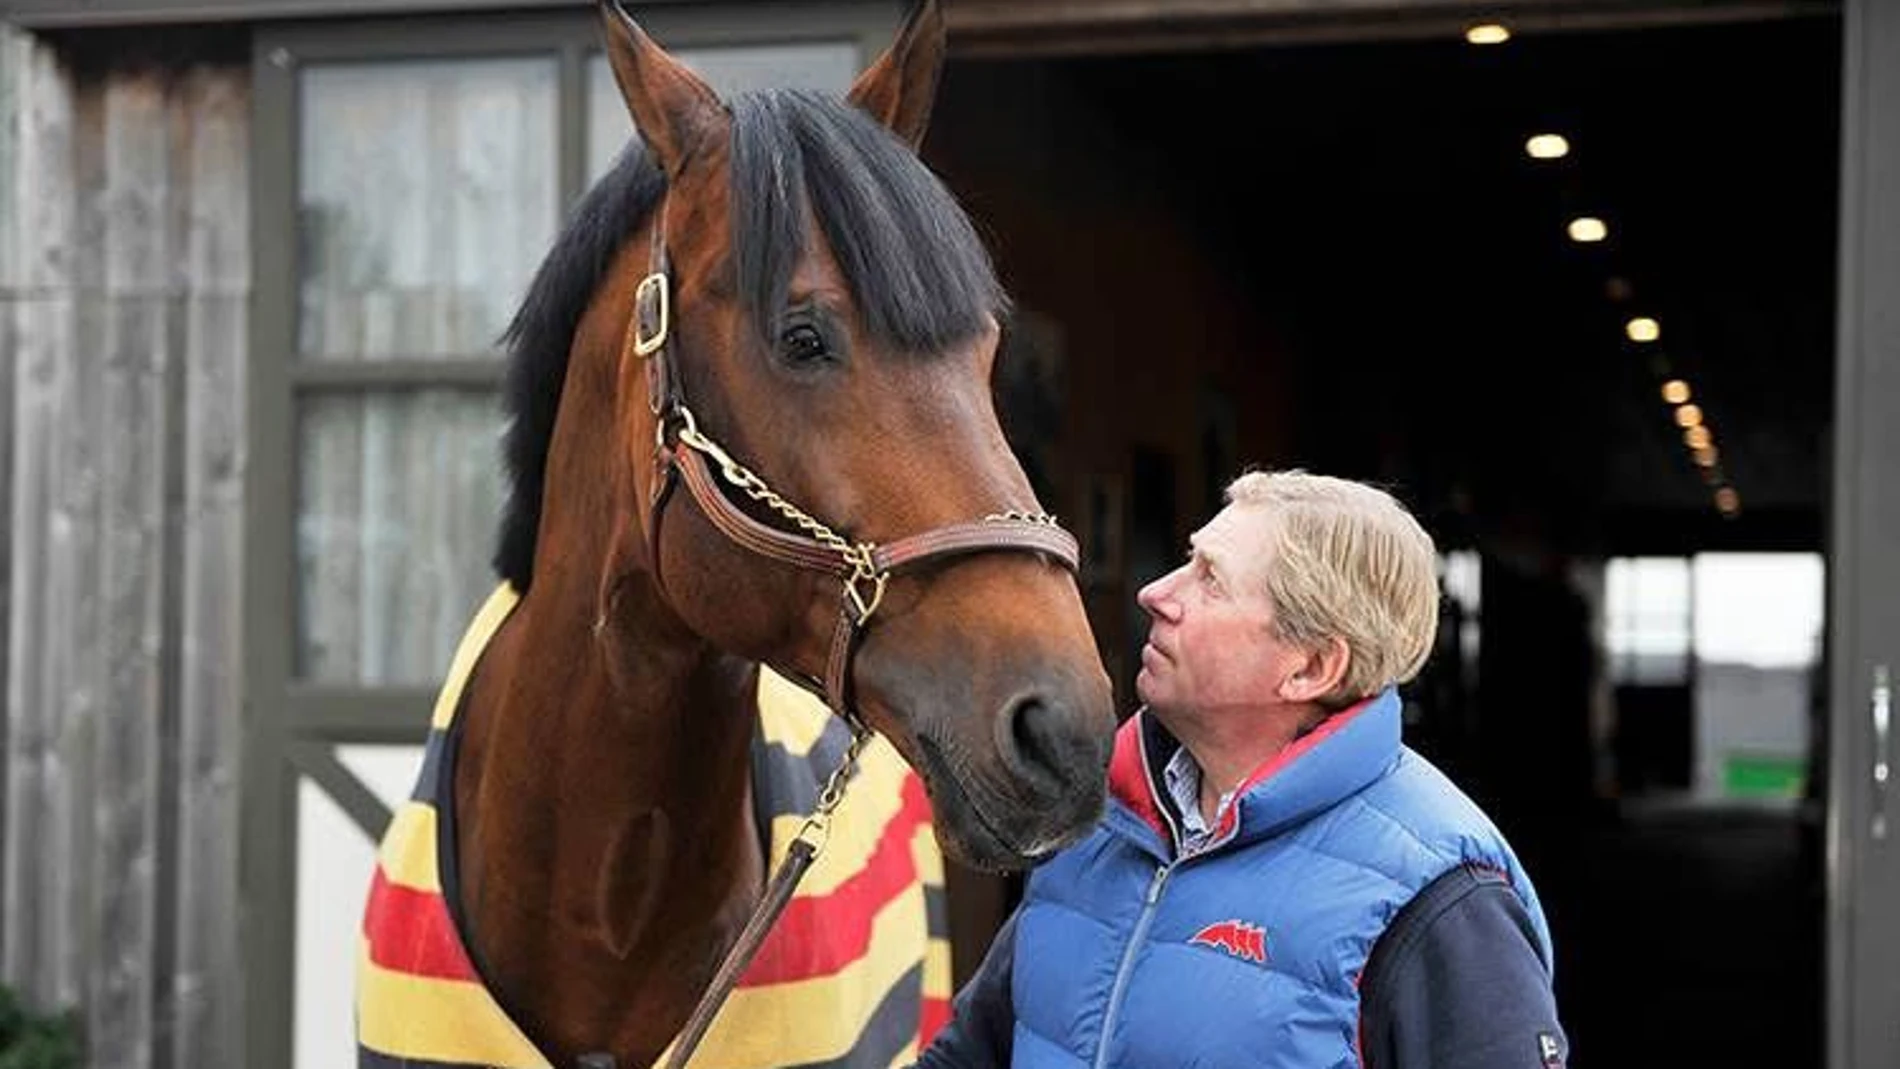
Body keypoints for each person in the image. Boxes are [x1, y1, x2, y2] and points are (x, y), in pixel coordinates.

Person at [916, 469, 1567, 1068]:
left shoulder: (1442, 896)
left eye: (1210, 578)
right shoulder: (1097, 814)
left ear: (1310, 668)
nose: (1155, 593)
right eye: (1185, 560)